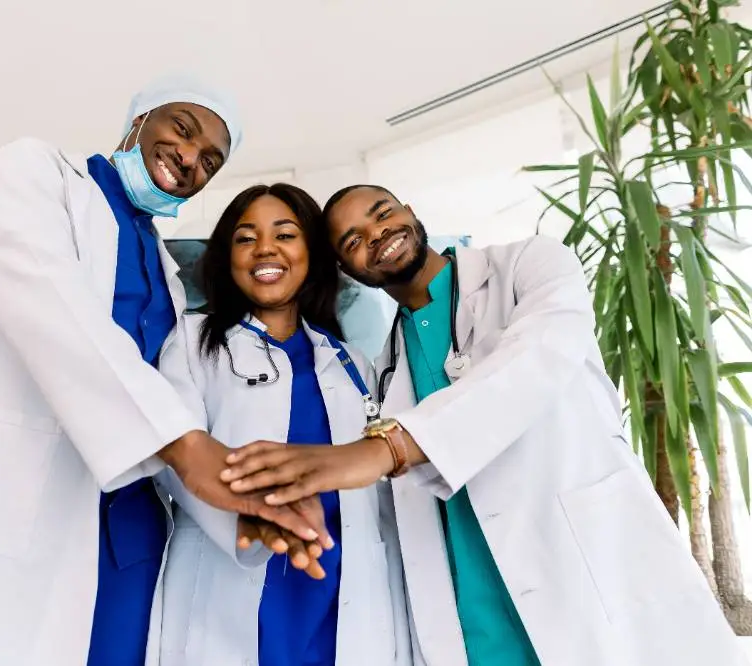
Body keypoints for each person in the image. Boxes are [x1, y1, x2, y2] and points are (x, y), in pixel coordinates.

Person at [0, 78, 329, 666]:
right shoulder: (31, 174)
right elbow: (49, 307)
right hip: (5, 514)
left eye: (210, 159)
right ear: (137, 121)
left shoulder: (166, 272)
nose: (189, 158)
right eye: (182, 129)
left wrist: (242, 510)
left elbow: (172, 403)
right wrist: (184, 445)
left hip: (126, 542)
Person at [219, 184, 747, 666]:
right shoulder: (382, 371)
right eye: (353, 240)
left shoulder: (529, 267)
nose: (377, 235)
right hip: (475, 610)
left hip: (590, 576)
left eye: (382, 214)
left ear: (410, 210)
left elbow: (539, 355)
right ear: (349, 271)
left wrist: (389, 448)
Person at [156, 183, 414, 666]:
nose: (266, 249)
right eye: (245, 238)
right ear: (226, 259)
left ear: (312, 255)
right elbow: (173, 456)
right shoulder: (192, 343)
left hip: (344, 592)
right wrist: (247, 516)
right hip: (232, 581)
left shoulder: (351, 361)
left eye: (285, 234)